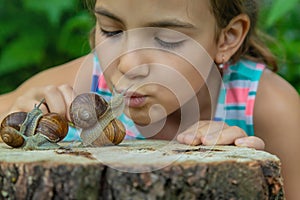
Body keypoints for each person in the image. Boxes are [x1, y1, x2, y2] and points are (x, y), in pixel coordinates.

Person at [0, 0, 299, 198]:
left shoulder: (268, 105)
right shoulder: (87, 83)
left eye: (167, 39)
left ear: (226, 38)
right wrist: (20, 118)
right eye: (112, 30)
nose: (128, 64)